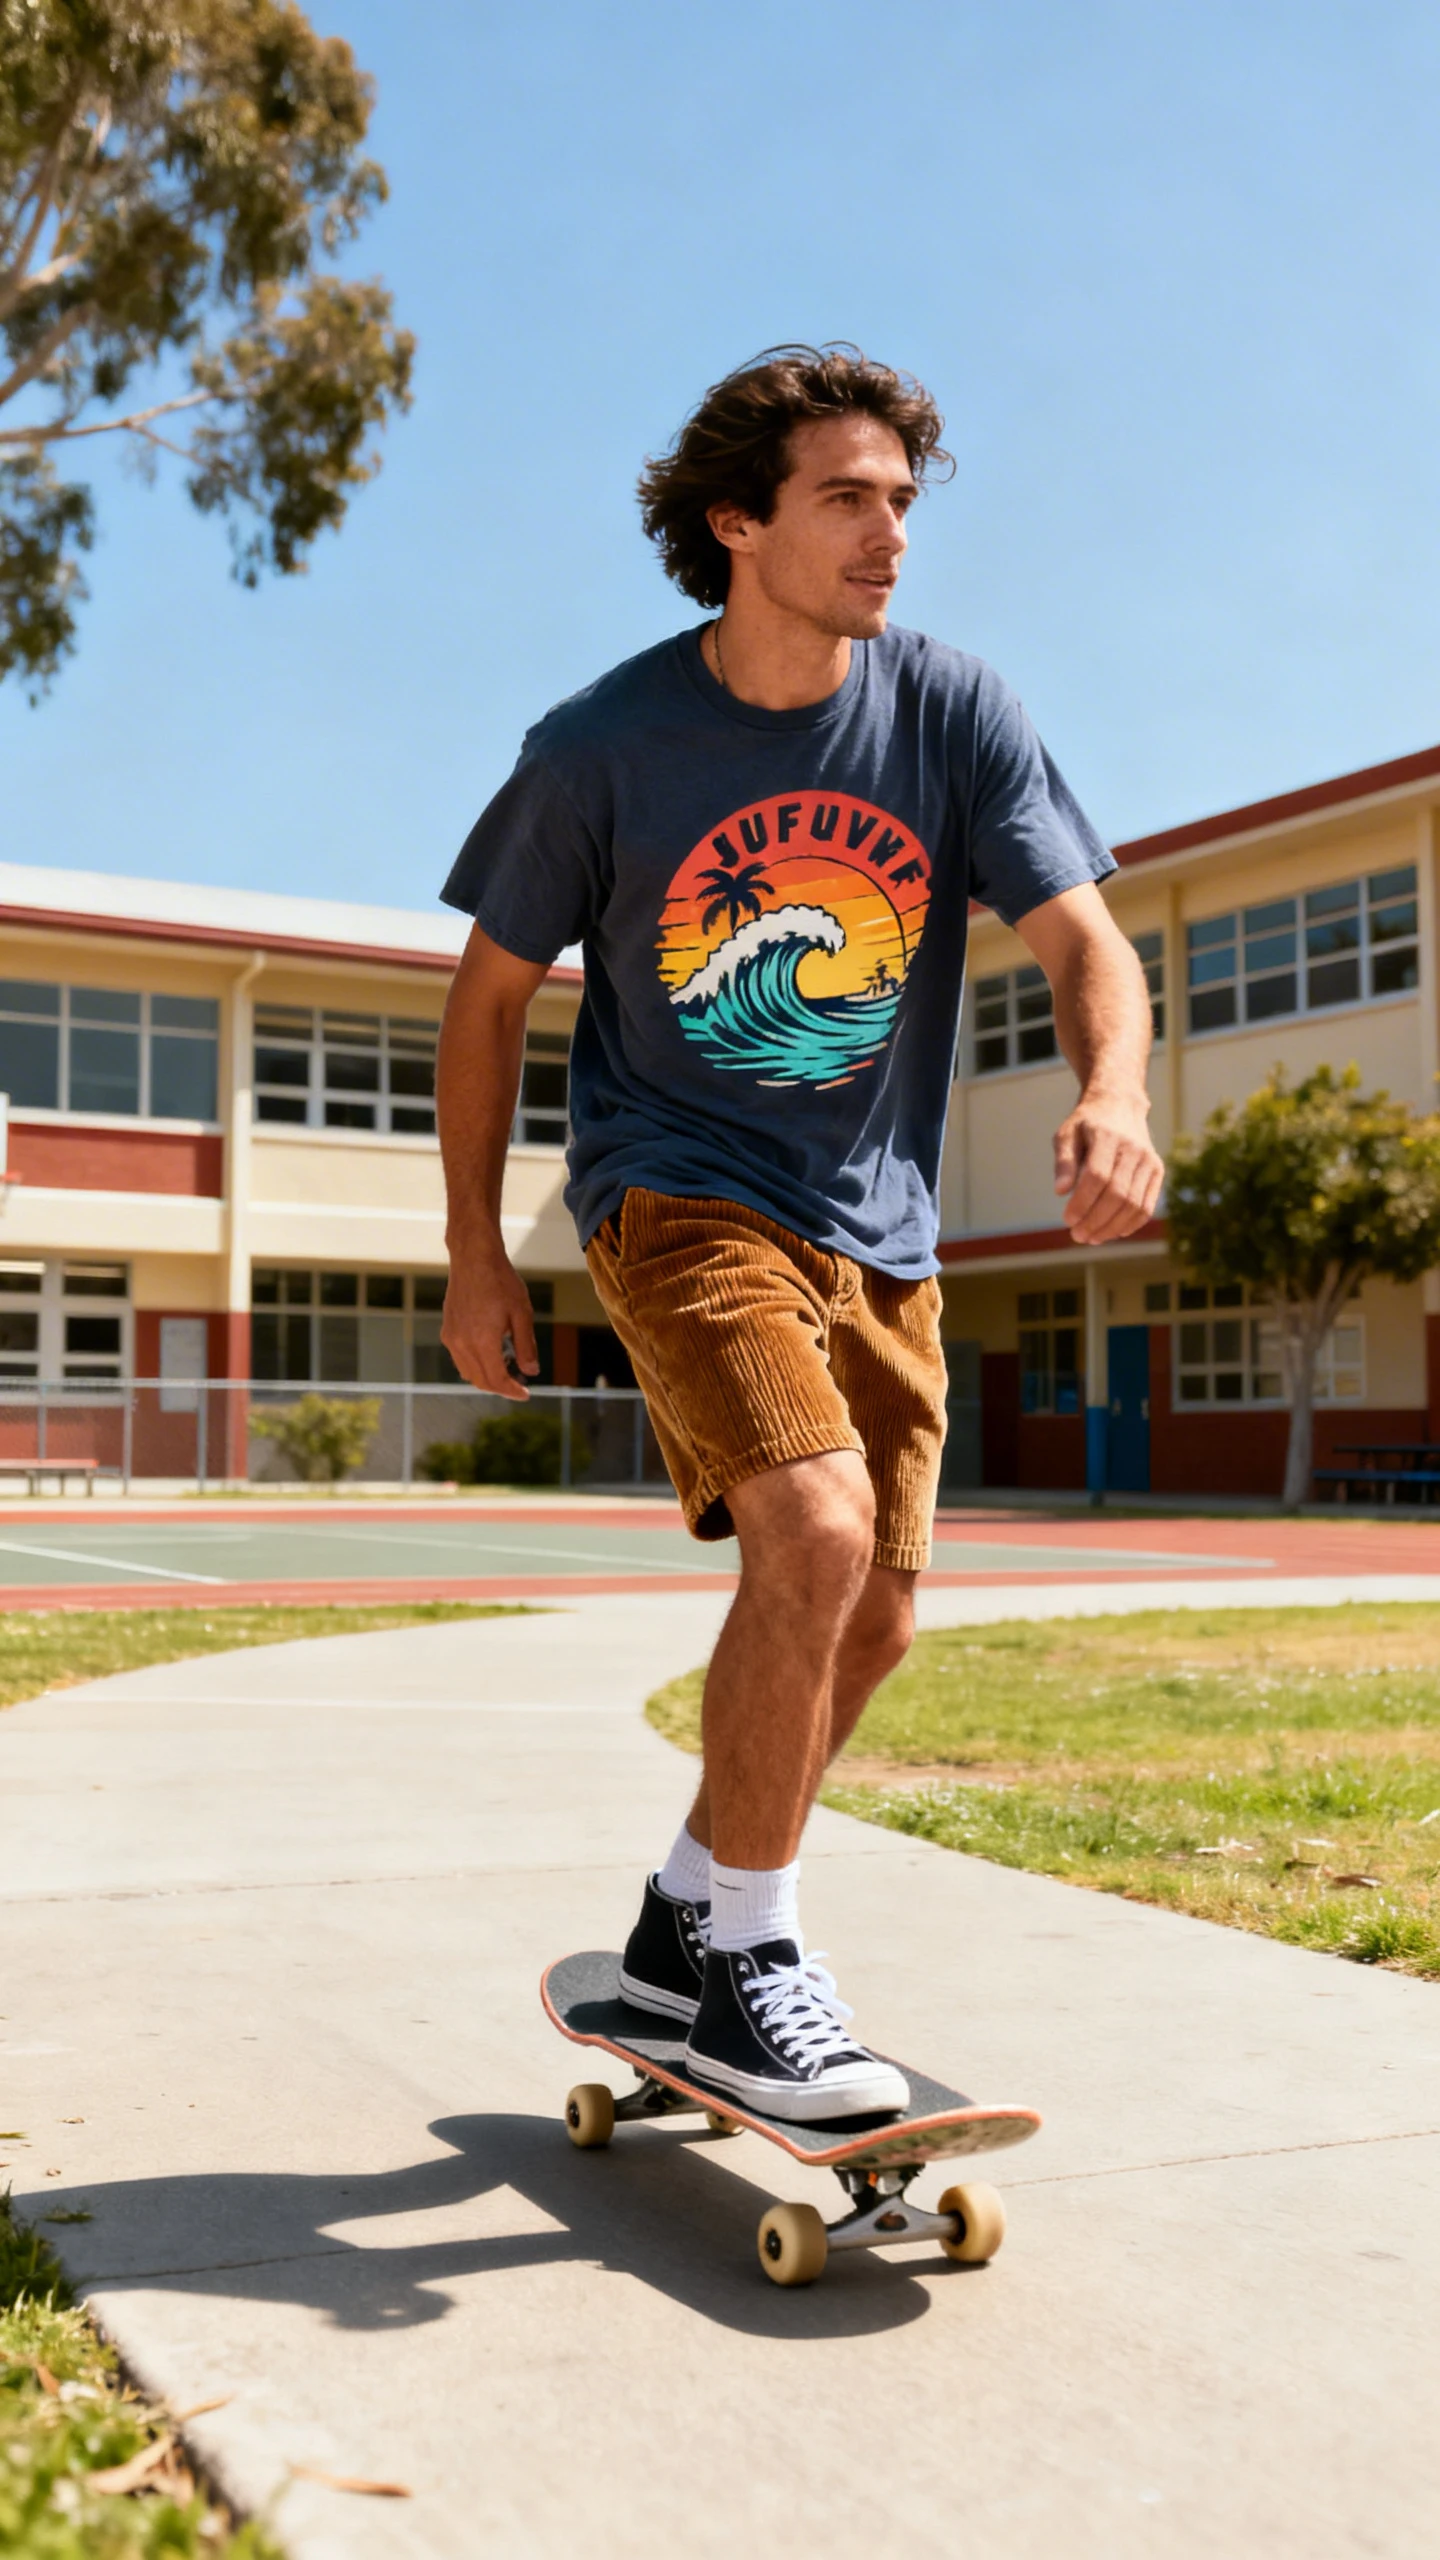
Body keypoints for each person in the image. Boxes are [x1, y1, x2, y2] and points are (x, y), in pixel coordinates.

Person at [437, 346, 1163, 2124]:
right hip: (677, 1191)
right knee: (816, 1527)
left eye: (905, 500)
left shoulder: (953, 710)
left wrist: (1117, 1091)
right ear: (736, 521)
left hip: (879, 1226)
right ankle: (756, 1964)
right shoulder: (600, 747)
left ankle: (684, 1925)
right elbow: (487, 998)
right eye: (848, 497)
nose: (890, 533)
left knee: (879, 1613)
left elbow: (1085, 946)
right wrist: (473, 1245)